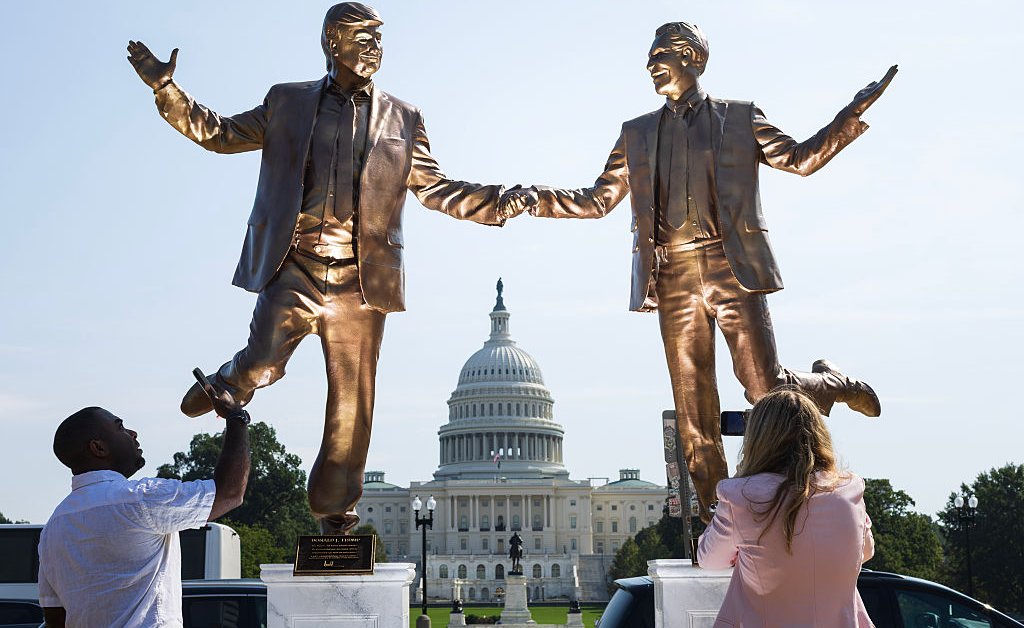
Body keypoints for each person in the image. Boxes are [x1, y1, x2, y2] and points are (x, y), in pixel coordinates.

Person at [126, 3, 523, 534]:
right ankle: (234, 378)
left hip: (361, 281)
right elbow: (219, 133)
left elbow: (435, 188)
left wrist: (497, 203)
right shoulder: (287, 101)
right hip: (296, 266)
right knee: (265, 363)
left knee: (352, 401)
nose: (376, 48)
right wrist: (166, 90)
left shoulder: (404, 117)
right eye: (364, 38)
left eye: (380, 39)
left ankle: (334, 508)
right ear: (333, 43)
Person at [503, 22, 895, 521]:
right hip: (672, 275)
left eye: (658, 56)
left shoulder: (740, 118)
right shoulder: (637, 133)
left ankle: (830, 385)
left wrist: (849, 115)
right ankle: (718, 515)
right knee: (693, 408)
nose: (649, 67)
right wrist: (536, 199)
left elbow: (800, 159)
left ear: (690, 56)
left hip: (731, 264)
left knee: (765, 390)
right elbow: (598, 199)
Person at [37, 383, 251, 628]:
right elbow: (229, 492)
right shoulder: (139, 499)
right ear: (98, 448)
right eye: (120, 427)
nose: (133, 433)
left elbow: (55, 619)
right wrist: (236, 417)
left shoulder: (53, 528)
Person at [696, 389, 875, 627]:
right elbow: (865, 551)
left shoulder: (740, 495)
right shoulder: (849, 489)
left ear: (758, 438)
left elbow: (710, 559)